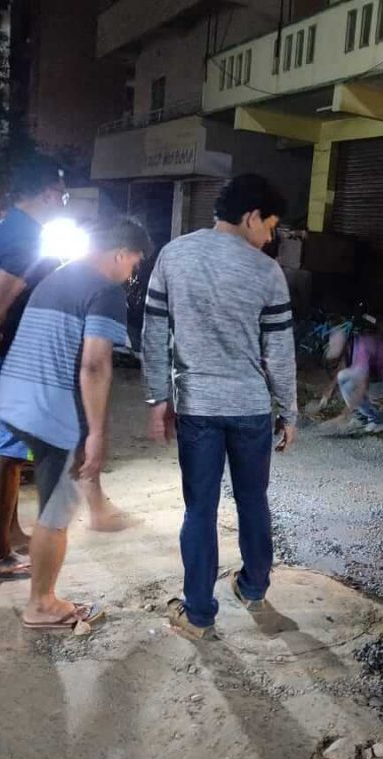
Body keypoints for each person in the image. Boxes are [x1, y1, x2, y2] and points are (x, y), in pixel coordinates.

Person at [142, 173, 297, 641]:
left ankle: (199, 614)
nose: (269, 238)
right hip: (250, 408)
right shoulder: (267, 272)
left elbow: (154, 334)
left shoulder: (174, 255)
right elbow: (279, 351)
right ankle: (252, 587)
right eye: (268, 226)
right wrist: (289, 411)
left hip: (198, 407)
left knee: (200, 509)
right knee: (253, 500)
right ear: (250, 217)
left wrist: (158, 398)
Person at [0, 218, 149, 628]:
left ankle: (99, 510)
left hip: (14, 397)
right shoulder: (105, 291)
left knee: (73, 465)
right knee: (57, 507)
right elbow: (95, 366)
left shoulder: (59, 278)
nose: (132, 272)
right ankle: (42, 603)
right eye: (133, 263)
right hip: (49, 410)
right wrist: (99, 433)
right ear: (120, 254)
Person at [0, 155, 67, 579]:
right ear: (45, 191)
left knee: (10, 450)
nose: (63, 198)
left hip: (12, 355)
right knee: (9, 453)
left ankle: (11, 531)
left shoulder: (5, 229)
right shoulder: (26, 238)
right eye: (60, 191)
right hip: (20, 358)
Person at [321, 324, 383, 433]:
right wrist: (328, 392)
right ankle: (363, 416)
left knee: (354, 388)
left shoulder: (361, 350)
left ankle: (380, 420)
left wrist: (344, 415)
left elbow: (363, 387)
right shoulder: (351, 345)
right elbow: (342, 367)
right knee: (343, 377)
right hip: (375, 376)